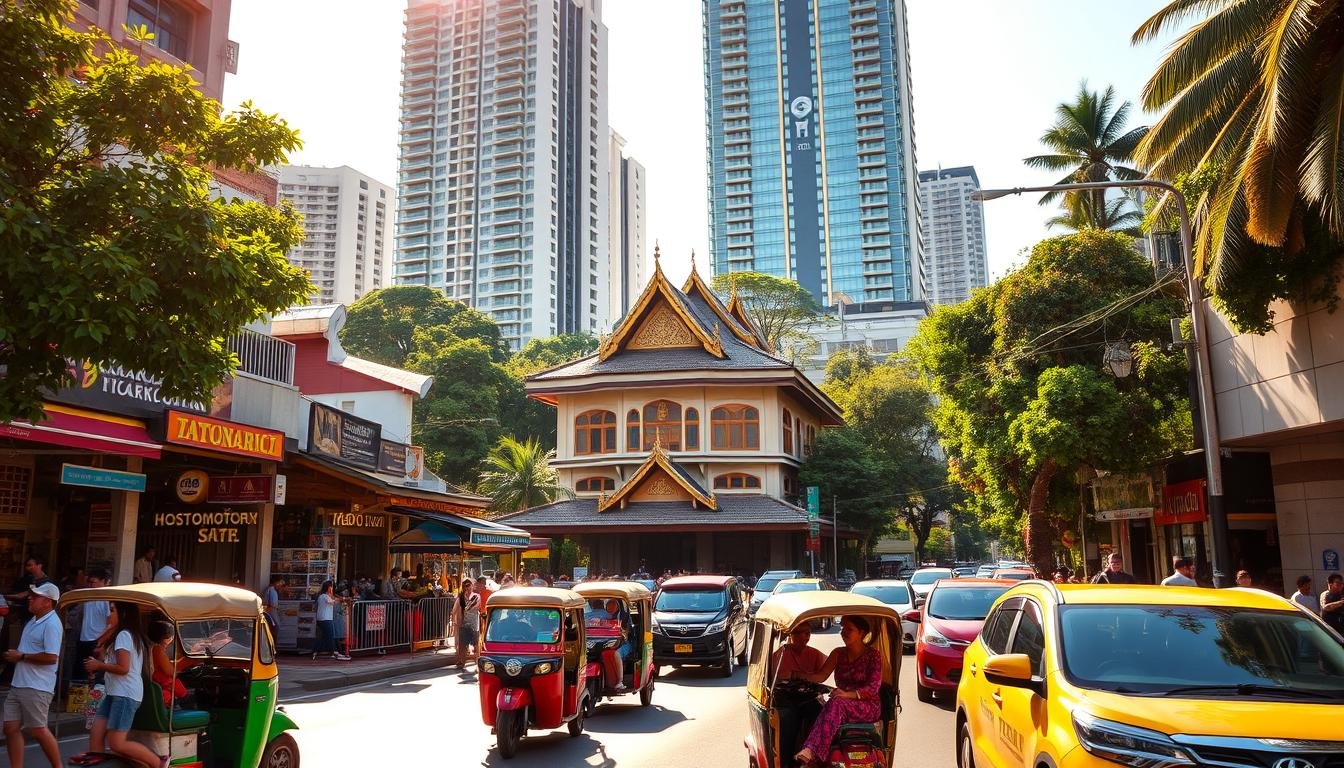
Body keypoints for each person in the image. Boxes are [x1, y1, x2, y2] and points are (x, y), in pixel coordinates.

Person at [78, 602, 165, 768]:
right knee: (96, 735)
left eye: (112, 610)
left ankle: (158, 762)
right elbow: (105, 656)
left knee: (117, 743)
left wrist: (99, 666)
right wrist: (106, 636)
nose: (108, 614)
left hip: (125, 694)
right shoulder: (120, 634)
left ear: (123, 613)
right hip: (113, 692)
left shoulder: (125, 635)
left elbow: (123, 668)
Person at [792, 616, 883, 767]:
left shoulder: (873, 655)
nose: (844, 633)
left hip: (867, 706)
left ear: (861, 633)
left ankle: (811, 751)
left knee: (837, 702)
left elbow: (873, 688)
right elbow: (820, 676)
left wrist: (847, 695)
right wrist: (796, 674)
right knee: (816, 706)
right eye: (842, 628)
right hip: (841, 703)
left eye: (849, 629)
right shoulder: (838, 653)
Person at [2, 583, 63, 768]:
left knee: (38, 730)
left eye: (35, 596)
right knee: (10, 728)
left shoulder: (52, 624)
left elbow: (52, 657)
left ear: (47, 602)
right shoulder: (33, 620)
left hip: (37, 686)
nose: (30, 598)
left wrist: (21, 656)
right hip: (20, 683)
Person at [772, 623, 827, 766]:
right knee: (787, 720)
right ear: (791, 635)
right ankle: (786, 763)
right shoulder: (781, 654)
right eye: (799, 633)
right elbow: (775, 678)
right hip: (785, 699)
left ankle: (817, 759)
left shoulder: (814, 654)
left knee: (823, 715)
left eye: (807, 633)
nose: (804, 637)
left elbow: (823, 675)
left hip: (807, 698)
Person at [147, 620, 193, 709]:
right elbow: (171, 672)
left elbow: (167, 665)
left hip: (158, 688)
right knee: (190, 699)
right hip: (163, 690)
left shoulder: (150, 647)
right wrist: (190, 661)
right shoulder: (157, 650)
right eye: (171, 635)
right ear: (166, 636)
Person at [77, 570, 111, 683]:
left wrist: (102, 642)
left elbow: (110, 623)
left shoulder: (107, 599)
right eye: (90, 582)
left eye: (94, 582)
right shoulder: (87, 595)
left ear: (103, 582)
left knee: (94, 675)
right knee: (81, 673)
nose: (91, 585)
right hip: (84, 638)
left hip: (97, 640)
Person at [313, 581, 348, 661]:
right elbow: (331, 602)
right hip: (325, 619)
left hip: (323, 619)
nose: (332, 588)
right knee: (330, 636)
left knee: (323, 636)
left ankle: (315, 651)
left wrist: (339, 599)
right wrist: (341, 600)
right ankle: (334, 652)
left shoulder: (325, 596)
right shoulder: (324, 596)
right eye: (331, 587)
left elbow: (333, 600)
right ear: (328, 588)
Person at [450, 579, 480, 668]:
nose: (467, 588)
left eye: (469, 586)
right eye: (465, 586)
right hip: (464, 624)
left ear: (472, 586)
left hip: (474, 624)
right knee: (463, 644)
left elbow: (478, 607)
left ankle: (477, 662)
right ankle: (461, 661)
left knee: (475, 644)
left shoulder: (476, 597)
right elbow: (454, 610)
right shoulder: (460, 598)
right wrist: (454, 622)